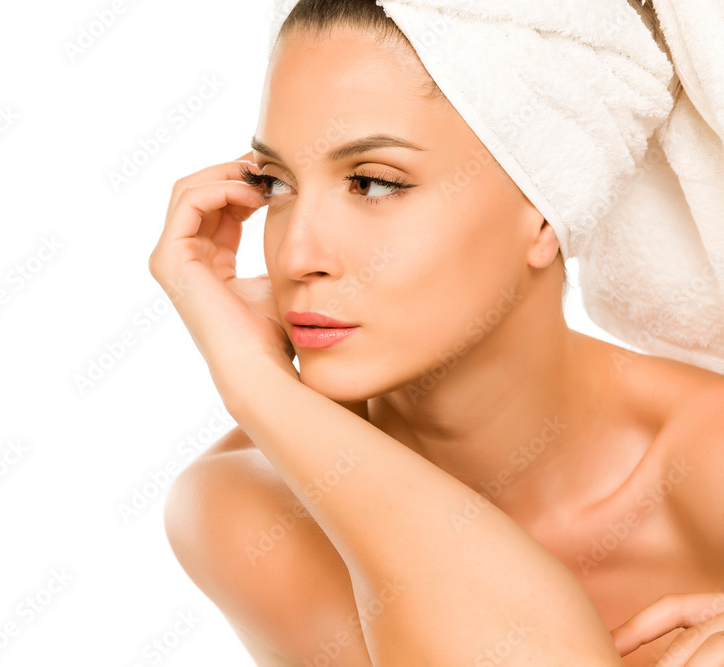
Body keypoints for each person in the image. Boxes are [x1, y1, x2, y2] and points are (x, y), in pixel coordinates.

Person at [147, 0, 724, 664]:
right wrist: (255, 384)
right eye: (276, 184)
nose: (297, 254)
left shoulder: (706, 461)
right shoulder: (249, 508)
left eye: (372, 184)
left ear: (545, 211)